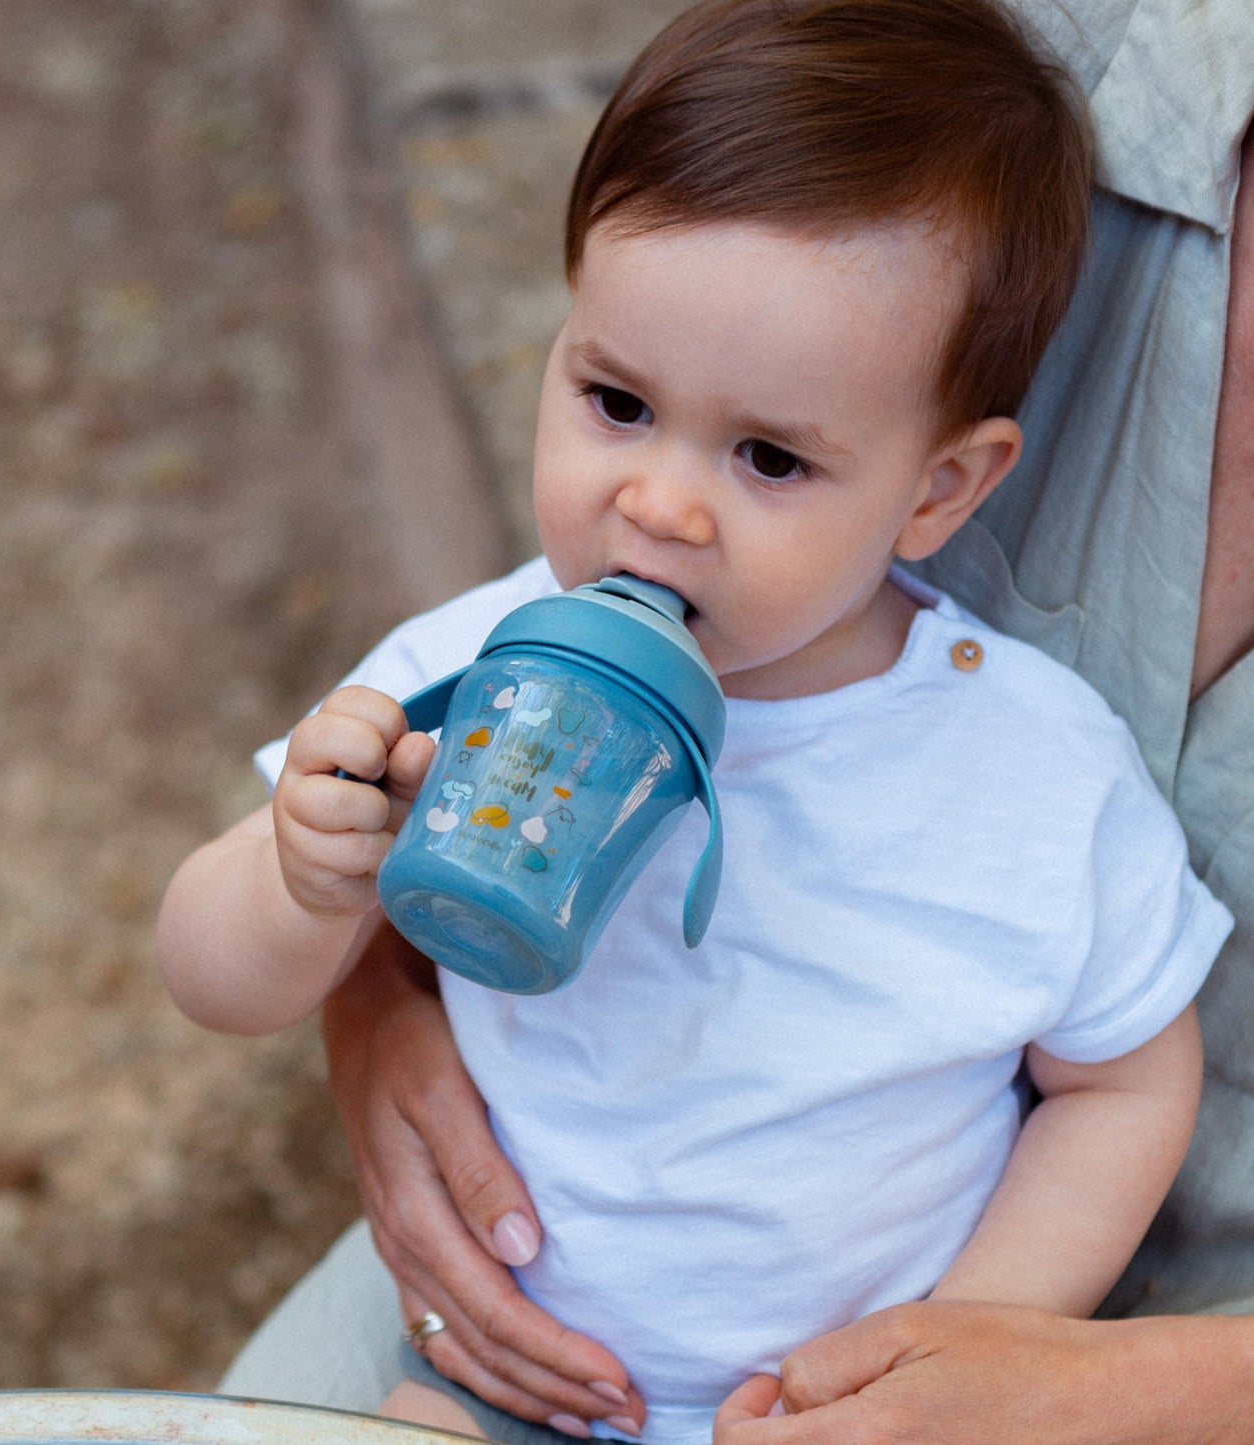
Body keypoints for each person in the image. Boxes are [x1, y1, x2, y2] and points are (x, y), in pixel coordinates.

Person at [160, 1, 1238, 1441]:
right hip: (499, 1378)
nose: (659, 503)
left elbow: (1124, 1080)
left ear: (939, 490)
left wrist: (970, 1331)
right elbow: (211, 977)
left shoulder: (1032, 770)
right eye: (615, 400)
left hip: (826, 1415)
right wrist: (302, 885)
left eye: (769, 457)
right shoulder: (476, 667)